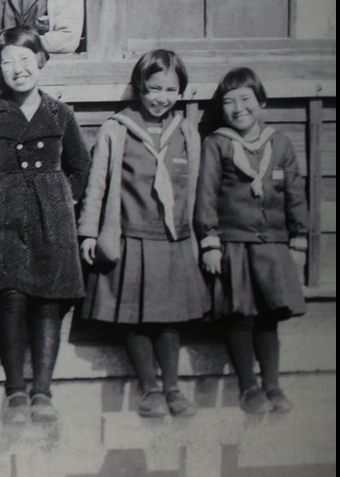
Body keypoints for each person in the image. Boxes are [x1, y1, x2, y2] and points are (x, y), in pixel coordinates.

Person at [0, 27, 89, 424]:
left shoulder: (60, 113)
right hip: (0, 216)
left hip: (50, 217)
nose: (18, 69)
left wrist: (61, 198)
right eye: (7, 62)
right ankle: (16, 391)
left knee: (48, 301)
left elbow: (80, 166)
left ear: (41, 60)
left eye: (25, 59)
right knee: (11, 297)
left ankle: (42, 392)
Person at [79, 50, 208, 417]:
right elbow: (97, 185)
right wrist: (88, 233)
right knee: (133, 316)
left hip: (172, 239)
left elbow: (195, 188)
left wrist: (200, 236)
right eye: (153, 88)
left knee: (168, 318)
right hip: (129, 237)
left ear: (180, 91)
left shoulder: (186, 131)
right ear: (139, 87)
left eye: (170, 89)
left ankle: (172, 387)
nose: (161, 97)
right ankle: (149, 388)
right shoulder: (117, 128)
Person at [196, 68, 309, 414]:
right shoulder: (217, 143)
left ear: (262, 103)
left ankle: (272, 385)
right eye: (229, 102)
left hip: (272, 245)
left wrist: (299, 238)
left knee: (269, 315)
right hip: (234, 245)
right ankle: (248, 389)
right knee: (240, 315)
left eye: (246, 99)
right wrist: (210, 240)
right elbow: (206, 194)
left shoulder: (280, 143)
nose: (238, 108)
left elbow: (295, 193)